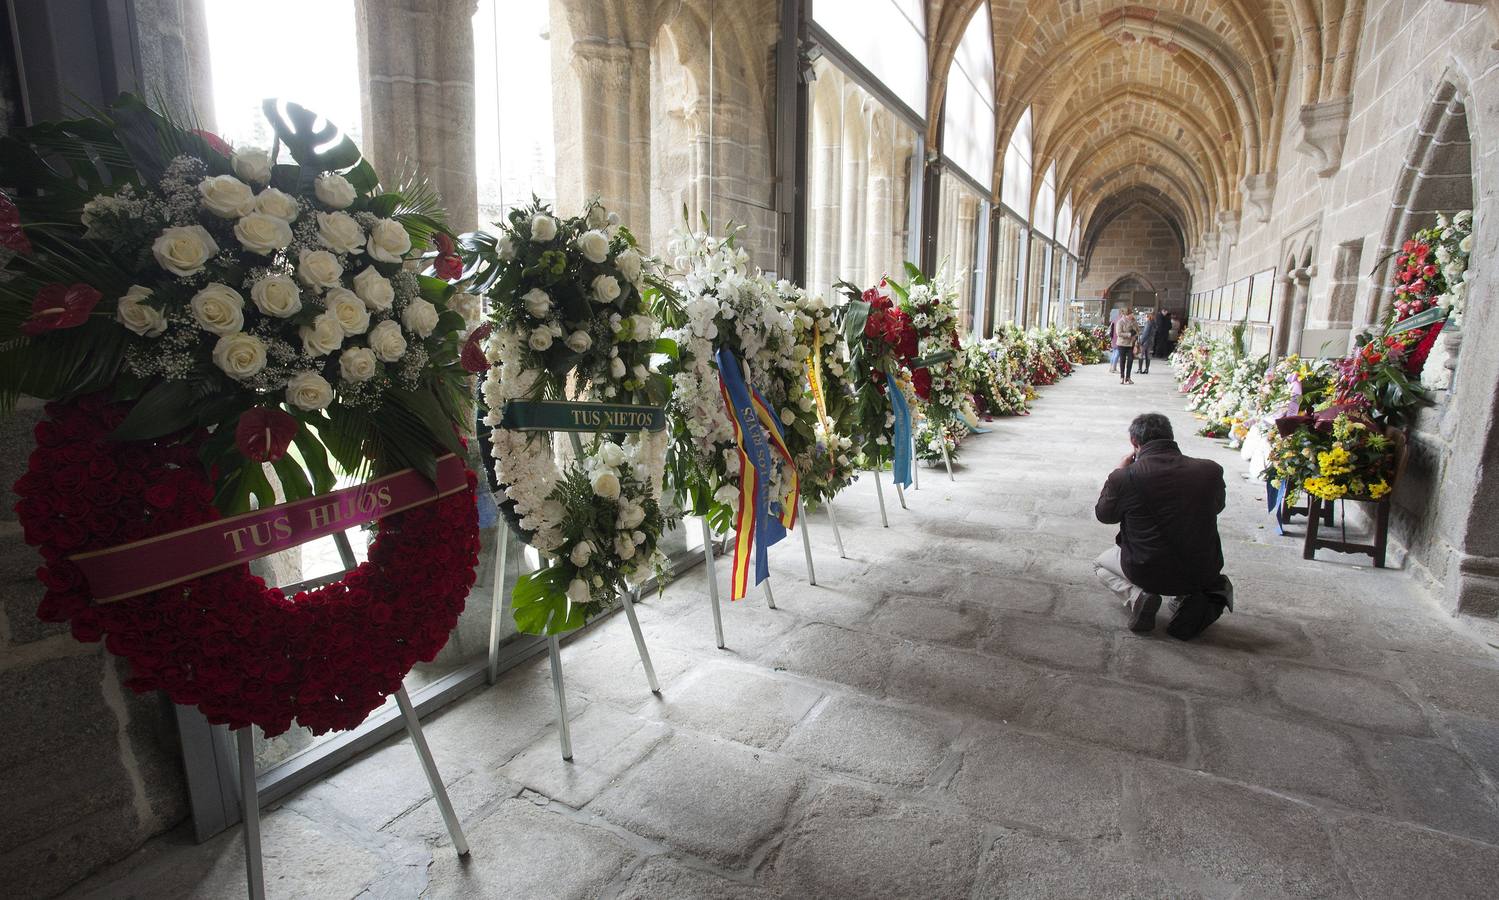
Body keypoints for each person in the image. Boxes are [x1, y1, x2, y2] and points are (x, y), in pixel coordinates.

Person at [1093, 412, 1233, 639]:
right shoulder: (1210, 470)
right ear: (1171, 437)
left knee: (1100, 565)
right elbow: (1216, 507)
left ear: (1134, 443)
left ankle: (1138, 596)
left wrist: (1118, 472)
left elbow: (1104, 515)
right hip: (1203, 570)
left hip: (1145, 569)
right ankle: (1185, 600)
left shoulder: (1126, 477)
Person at [1112, 311, 1139, 384]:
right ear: (1126, 315)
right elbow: (1118, 333)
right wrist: (1129, 334)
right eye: (1130, 314)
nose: (1131, 316)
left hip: (1131, 344)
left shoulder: (1134, 322)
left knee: (1130, 360)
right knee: (1122, 361)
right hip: (1122, 344)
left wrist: (1135, 341)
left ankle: (1128, 377)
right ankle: (1122, 377)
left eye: (1132, 315)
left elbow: (1137, 331)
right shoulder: (1120, 322)